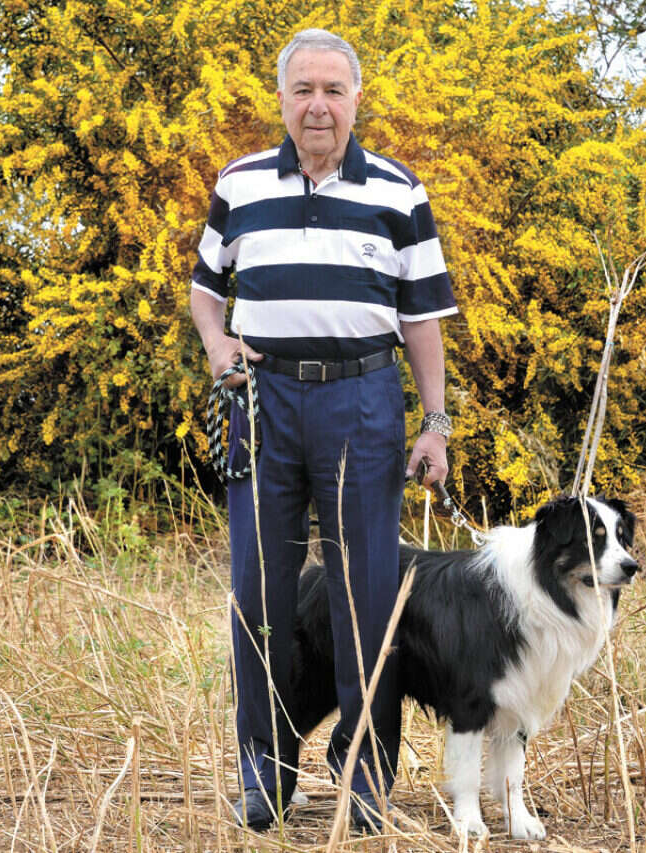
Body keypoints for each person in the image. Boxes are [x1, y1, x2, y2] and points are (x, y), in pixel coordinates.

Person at [189, 27, 457, 833]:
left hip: (364, 402)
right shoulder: (239, 184)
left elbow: (423, 319)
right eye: (303, 89)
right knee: (257, 594)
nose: (318, 106)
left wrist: (435, 424)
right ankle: (264, 770)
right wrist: (217, 345)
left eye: (333, 91)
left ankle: (363, 772)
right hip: (262, 402)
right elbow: (206, 288)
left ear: (355, 99)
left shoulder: (399, 193)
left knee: (366, 596)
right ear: (281, 98)